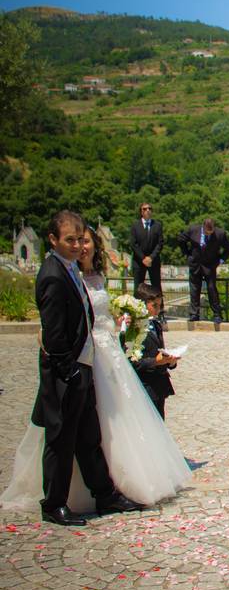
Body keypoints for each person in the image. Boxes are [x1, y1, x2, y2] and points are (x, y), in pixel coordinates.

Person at [1, 213, 150, 525]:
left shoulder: (68, 269)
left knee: (88, 436)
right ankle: (53, 504)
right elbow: (54, 335)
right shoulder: (53, 274)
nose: (74, 245)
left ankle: (105, 494)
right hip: (66, 373)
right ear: (53, 240)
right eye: (68, 239)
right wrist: (70, 372)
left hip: (83, 366)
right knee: (61, 440)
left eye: (77, 239)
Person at [129, 283, 178, 420]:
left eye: (160, 305)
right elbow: (133, 362)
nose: (158, 309)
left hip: (159, 385)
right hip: (145, 385)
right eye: (154, 305)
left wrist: (170, 361)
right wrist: (155, 361)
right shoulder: (132, 328)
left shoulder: (156, 325)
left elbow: (159, 351)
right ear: (142, 304)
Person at [177, 218, 229, 324]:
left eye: (211, 232)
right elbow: (181, 239)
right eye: (207, 232)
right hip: (195, 264)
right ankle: (194, 314)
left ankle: (217, 314)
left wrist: (220, 260)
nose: (209, 234)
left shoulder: (220, 234)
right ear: (203, 227)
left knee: (212, 288)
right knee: (194, 289)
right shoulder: (193, 230)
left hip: (210, 265)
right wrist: (187, 254)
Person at [129, 201, 165, 323]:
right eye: (145, 209)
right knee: (138, 286)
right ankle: (137, 312)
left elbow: (160, 244)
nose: (148, 210)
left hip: (153, 261)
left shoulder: (157, 225)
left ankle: (160, 313)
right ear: (141, 211)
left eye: (150, 208)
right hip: (139, 261)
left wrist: (151, 258)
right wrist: (143, 258)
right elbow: (133, 244)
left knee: (156, 286)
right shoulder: (135, 225)